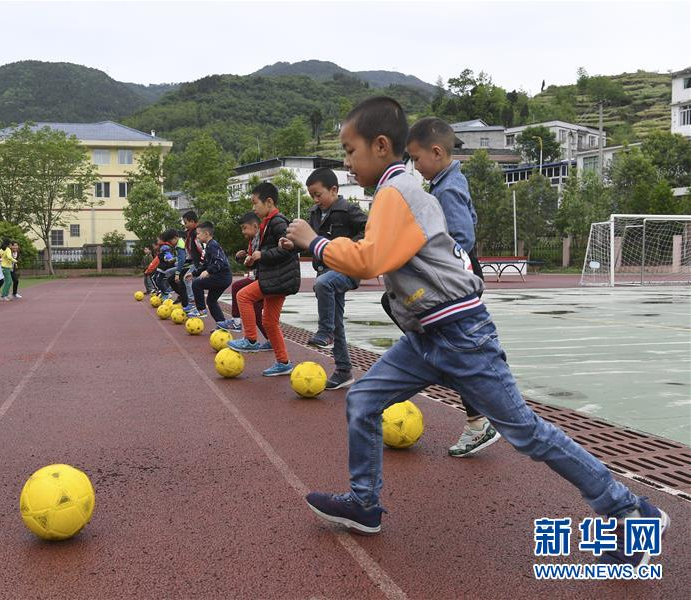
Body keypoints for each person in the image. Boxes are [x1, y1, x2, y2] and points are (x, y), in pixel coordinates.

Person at [284, 97, 669, 568]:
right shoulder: (399, 191)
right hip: (426, 336)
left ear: (381, 146)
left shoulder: (397, 191)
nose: (345, 162)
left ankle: (631, 511)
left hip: (460, 334)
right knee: (363, 400)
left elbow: (370, 260)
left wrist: (314, 242)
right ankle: (364, 504)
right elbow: (378, 250)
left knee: (526, 432)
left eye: (349, 150)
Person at [406, 116, 497, 457]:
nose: (415, 166)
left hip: (455, 286)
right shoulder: (446, 183)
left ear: (437, 152)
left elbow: (462, 237)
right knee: (453, 352)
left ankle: (479, 421)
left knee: (454, 353)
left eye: (416, 159)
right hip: (457, 282)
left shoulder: (449, 189)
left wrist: (428, 261)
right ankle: (478, 418)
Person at [301, 167, 367, 391]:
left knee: (323, 284)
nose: (315, 199)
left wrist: (347, 246)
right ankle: (343, 370)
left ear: (334, 190)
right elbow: (311, 240)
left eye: (318, 194)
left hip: (348, 268)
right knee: (337, 319)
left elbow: (370, 230)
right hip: (326, 268)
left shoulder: (349, 210)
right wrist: (294, 244)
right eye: (311, 195)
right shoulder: (314, 213)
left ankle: (325, 332)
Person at [228, 182, 300, 376]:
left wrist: (263, 255)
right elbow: (271, 251)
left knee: (243, 296)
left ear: (268, 202)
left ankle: (250, 339)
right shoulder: (267, 223)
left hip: (278, 279)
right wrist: (254, 258)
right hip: (276, 279)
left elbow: (287, 248)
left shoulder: (277, 222)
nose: (253, 208)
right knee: (269, 322)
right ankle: (283, 362)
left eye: (255, 203)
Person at [216, 213, 271, 351]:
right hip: (259, 277)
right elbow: (253, 262)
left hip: (267, 280)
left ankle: (239, 325)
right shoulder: (253, 241)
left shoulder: (263, 238)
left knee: (238, 288)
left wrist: (254, 258)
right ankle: (271, 341)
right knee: (258, 312)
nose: (242, 232)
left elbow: (265, 257)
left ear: (255, 226)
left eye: (244, 228)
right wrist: (244, 257)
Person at [185, 221, 232, 321]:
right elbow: (206, 265)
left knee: (197, 283)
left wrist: (209, 272)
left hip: (222, 277)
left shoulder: (213, 245)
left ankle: (201, 310)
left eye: (198, 234)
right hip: (223, 278)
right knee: (211, 301)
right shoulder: (209, 246)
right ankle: (221, 324)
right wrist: (193, 273)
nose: (197, 236)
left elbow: (219, 262)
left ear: (206, 234)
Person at [181, 210, 203, 309]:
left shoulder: (196, 233)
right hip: (195, 261)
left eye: (186, 223)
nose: (185, 225)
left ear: (193, 221)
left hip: (199, 262)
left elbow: (201, 248)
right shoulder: (190, 233)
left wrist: (203, 261)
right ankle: (195, 303)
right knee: (194, 282)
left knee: (188, 279)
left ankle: (193, 302)